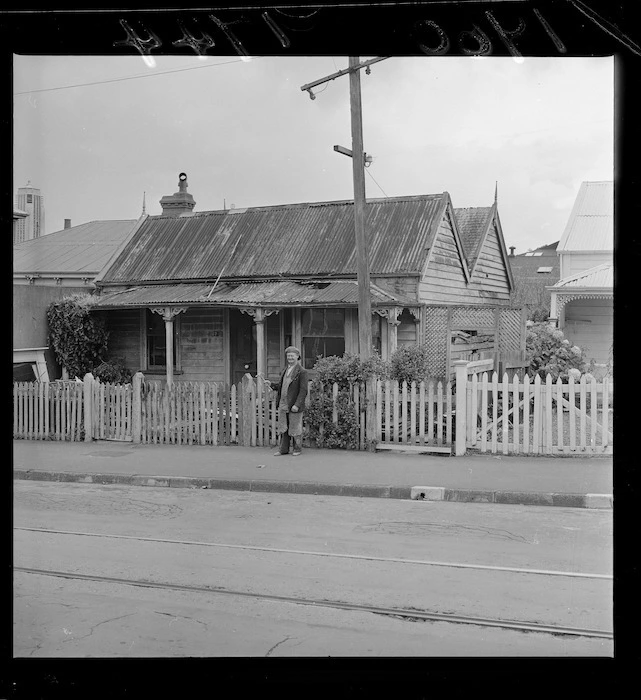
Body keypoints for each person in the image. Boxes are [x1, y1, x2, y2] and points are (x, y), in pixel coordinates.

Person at [264, 346, 308, 457]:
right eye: (288, 356)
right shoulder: (285, 370)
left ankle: (297, 449)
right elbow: (281, 386)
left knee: (295, 427)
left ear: (297, 357)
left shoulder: (302, 372)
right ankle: (283, 450)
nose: (290, 358)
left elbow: (303, 391)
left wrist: (297, 405)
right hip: (284, 403)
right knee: (284, 427)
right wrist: (272, 385)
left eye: (292, 356)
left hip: (294, 404)